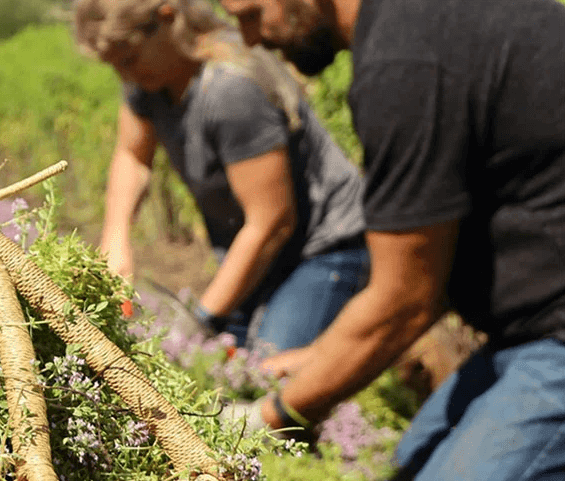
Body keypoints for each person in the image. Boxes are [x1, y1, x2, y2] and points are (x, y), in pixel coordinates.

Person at [218, 0, 565, 478]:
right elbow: (429, 263)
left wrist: (270, 415)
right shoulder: (420, 24)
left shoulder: (405, 60)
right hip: (529, 330)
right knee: (408, 465)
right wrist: (322, 357)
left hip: (552, 335)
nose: (251, 38)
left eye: (252, 13)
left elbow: (405, 298)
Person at [73, 0, 368, 354]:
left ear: (167, 18)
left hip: (323, 247)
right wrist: (116, 238)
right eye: (115, 66)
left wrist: (199, 322)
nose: (125, 76)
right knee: (222, 363)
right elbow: (132, 155)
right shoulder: (148, 82)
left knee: (266, 371)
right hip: (258, 251)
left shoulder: (230, 86)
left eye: (129, 59)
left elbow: (272, 221)